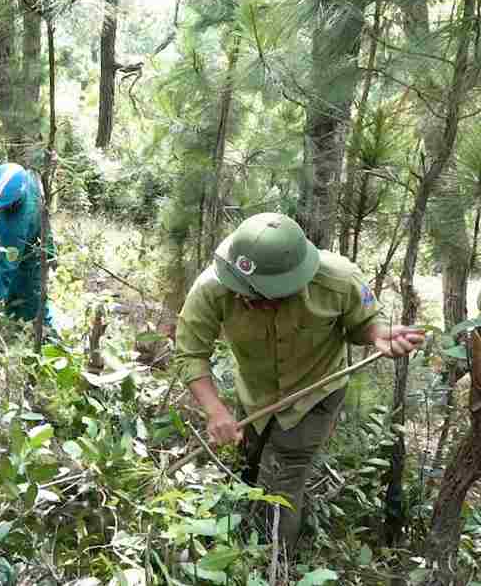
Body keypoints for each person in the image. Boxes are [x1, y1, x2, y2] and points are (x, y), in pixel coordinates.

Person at [173, 212, 424, 553]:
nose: (247, 300)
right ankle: (241, 538)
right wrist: (215, 411)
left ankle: (272, 562)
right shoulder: (213, 287)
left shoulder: (339, 279)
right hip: (255, 396)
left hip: (314, 396)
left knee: (279, 484)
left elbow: (365, 322)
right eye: (242, 292)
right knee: (249, 467)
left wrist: (378, 334)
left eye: (260, 296)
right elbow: (190, 353)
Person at [0, 148, 53, 325]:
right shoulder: (25, 177)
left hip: (33, 258)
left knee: (29, 308)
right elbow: (2, 179)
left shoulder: (15, 228)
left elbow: (4, 269)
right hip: (40, 240)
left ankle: (49, 342)